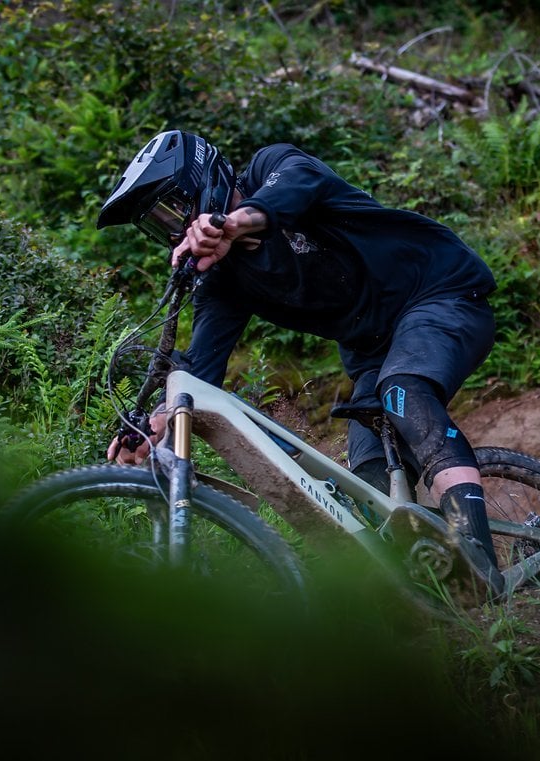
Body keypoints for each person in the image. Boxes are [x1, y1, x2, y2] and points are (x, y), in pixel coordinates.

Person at [97, 129, 501, 574]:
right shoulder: (224, 282)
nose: (175, 230)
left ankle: (476, 551)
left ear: (201, 181)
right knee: (366, 481)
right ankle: (426, 593)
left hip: (441, 294)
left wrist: (235, 222)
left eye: (173, 210)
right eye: (160, 225)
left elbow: (300, 181)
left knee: (403, 392)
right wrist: (150, 424)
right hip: (373, 352)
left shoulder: (272, 168)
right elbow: (200, 370)